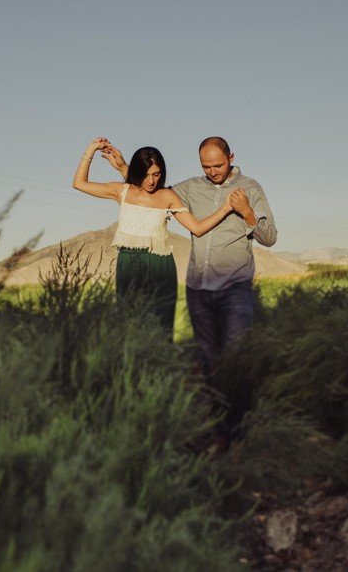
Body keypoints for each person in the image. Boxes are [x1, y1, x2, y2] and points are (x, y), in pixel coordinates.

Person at [102, 136, 277, 447]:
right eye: (206, 166)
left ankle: (240, 432)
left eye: (218, 165)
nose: (212, 171)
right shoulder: (189, 188)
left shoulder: (251, 187)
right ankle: (220, 429)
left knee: (236, 356)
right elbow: (150, 191)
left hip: (234, 287)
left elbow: (270, 237)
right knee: (209, 362)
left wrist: (248, 212)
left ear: (231, 157)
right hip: (198, 288)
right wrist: (122, 168)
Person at [72, 137, 240, 337]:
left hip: (160, 265)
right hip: (128, 264)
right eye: (146, 175)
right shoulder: (122, 191)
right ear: (137, 173)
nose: (151, 181)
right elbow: (79, 183)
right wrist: (90, 150)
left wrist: (226, 208)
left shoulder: (167, 197)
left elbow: (197, 228)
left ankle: (162, 366)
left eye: (156, 174)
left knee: (161, 328)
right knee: (129, 326)